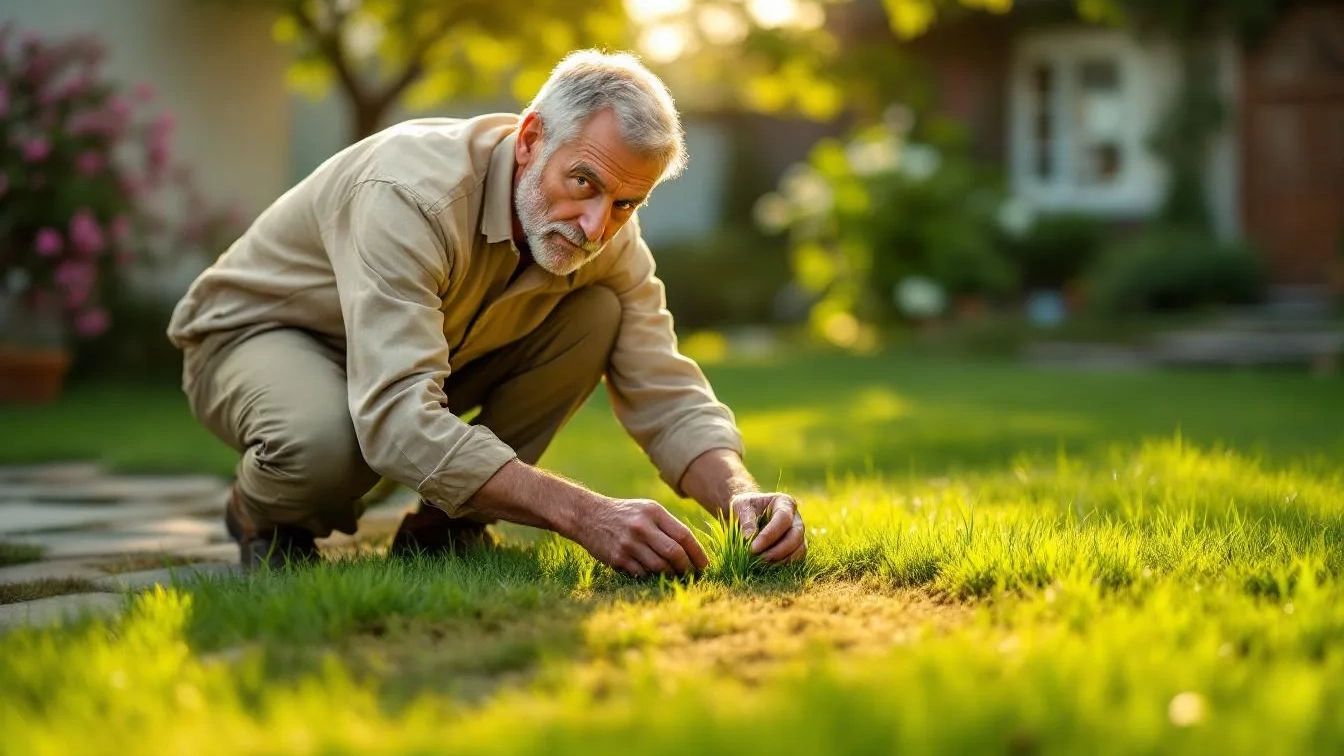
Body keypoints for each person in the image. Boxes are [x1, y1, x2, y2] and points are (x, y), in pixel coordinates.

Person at [166, 49, 806, 574]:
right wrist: (585, 514)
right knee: (329, 443)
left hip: (414, 358)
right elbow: (394, 418)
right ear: (530, 139)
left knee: (598, 314)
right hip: (257, 336)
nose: (594, 225)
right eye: (584, 182)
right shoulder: (411, 195)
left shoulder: (604, 235)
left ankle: (446, 530)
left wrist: (741, 496)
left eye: (624, 204)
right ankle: (265, 516)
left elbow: (664, 387)